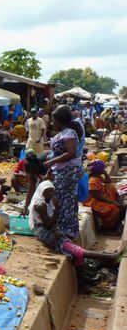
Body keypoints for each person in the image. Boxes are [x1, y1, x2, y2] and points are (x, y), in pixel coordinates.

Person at [29, 181, 124, 268]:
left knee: (77, 254)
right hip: (44, 232)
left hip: (51, 228)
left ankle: (83, 281)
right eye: (47, 192)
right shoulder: (40, 205)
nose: (50, 194)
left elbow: (53, 221)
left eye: (52, 191)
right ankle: (110, 257)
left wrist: (57, 228)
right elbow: (48, 225)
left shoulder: (49, 201)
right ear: (41, 192)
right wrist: (57, 209)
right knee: (76, 250)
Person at [44, 105, 82, 239]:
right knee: (62, 198)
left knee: (65, 199)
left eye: (54, 120)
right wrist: (50, 169)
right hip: (61, 170)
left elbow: (71, 153)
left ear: (60, 121)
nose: (52, 123)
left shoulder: (69, 133)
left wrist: (51, 162)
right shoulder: (62, 134)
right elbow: (56, 153)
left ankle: (67, 231)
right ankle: (63, 229)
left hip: (68, 171)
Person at [84, 159, 125, 233]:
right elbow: (97, 196)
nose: (104, 169)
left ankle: (115, 224)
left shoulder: (98, 176)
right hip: (92, 201)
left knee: (110, 186)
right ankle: (108, 228)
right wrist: (112, 202)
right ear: (98, 170)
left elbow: (109, 181)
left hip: (99, 197)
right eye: (103, 168)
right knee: (113, 208)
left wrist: (105, 173)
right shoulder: (93, 180)